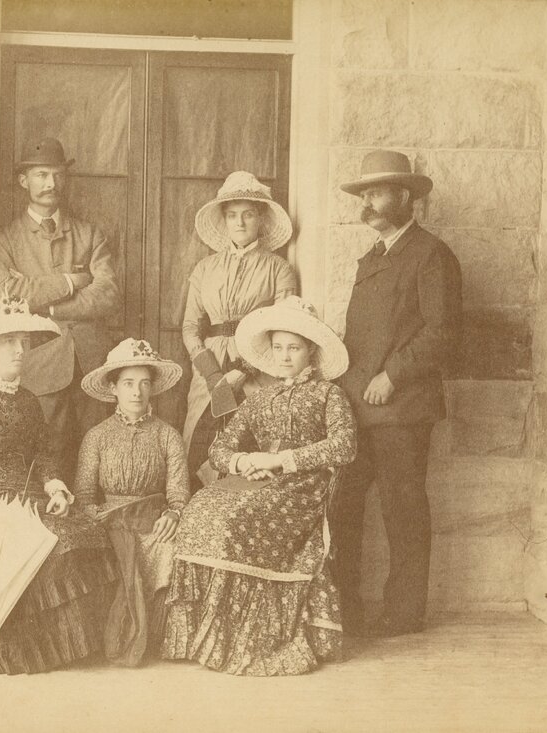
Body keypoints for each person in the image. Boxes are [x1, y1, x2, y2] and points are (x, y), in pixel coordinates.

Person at [164, 296, 356, 676]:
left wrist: (281, 460)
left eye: (295, 348)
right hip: (258, 480)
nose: (285, 356)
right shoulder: (260, 398)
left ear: (311, 351)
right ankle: (211, 633)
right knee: (202, 506)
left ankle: (251, 637)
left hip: (303, 487)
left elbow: (344, 445)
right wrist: (243, 461)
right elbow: (220, 447)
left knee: (238, 517)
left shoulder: (328, 394)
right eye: (279, 347)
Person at [0, 296, 118, 675]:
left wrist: (55, 487)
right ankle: (21, 652)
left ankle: (71, 648)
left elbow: (44, 456)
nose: (19, 350)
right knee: (47, 542)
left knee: (84, 533)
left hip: (29, 500)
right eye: (9, 342)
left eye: (22, 342)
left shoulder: (28, 401)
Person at [331, 149, 462, 637]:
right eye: (365, 194)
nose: (369, 203)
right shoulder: (371, 258)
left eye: (378, 193)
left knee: (402, 512)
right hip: (358, 410)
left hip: (403, 409)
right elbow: (358, 337)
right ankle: (343, 609)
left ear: (405, 197)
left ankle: (404, 615)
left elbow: (442, 331)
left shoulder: (432, 254)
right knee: (342, 506)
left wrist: (393, 376)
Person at [0, 136, 121, 483]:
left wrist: (50, 310)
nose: (51, 183)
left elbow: (108, 293)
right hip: (41, 362)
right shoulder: (8, 239)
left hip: (92, 361)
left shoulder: (88, 234)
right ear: (24, 181)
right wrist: (70, 281)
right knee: (46, 451)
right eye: (41, 175)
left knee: (98, 450)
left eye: (57, 174)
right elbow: (8, 296)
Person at [74, 338, 189, 667]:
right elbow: (83, 496)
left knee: (173, 546)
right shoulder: (97, 436)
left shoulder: (168, 435)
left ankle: (158, 637)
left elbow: (179, 493)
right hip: (108, 521)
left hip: (153, 521)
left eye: (144, 383)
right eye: (127, 383)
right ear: (113, 388)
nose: (136, 392)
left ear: (152, 388)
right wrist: (100, 518)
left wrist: (174, 513)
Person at [182, 171, 298, 491]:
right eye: (232, 215)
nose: (240, 223)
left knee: (255, 445)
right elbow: (191, 327)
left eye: (248, 214)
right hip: (209, 368)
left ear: (260, 218)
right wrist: (211, 374)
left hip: (257, 367)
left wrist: (244, 370)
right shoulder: (205, 268)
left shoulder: (278, 268)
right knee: (199, 442)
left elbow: (284, 327)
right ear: (224, 220)